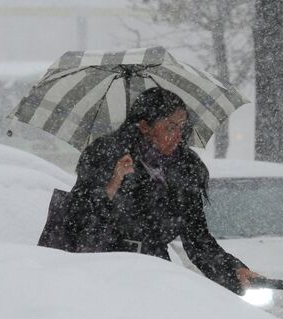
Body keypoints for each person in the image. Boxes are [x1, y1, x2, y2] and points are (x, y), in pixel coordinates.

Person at [54, 87, 257, 294]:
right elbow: (77, 219)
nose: (178, 136)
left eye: (181, 127)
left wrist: (233, 268)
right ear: (145, 126)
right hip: (101, 273)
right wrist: (114, 183)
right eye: (170, 128)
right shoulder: (106, 156)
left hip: (154, 274)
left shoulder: (186, 169)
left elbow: (197, 239)